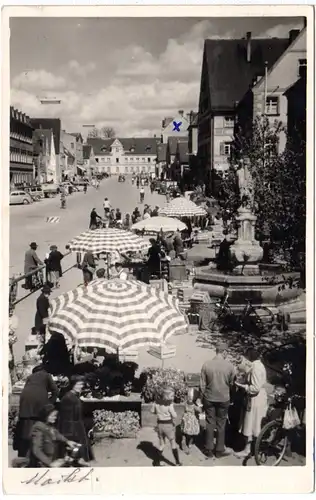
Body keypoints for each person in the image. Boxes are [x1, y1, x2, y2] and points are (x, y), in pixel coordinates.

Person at [200, 342, 236, 459]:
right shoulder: (230, 366)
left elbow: (202, 385)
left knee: (210, 423)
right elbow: (232, 384)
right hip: (224, 398)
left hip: (209, 397)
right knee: (221, 423)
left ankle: (209, 449)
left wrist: (203, 397)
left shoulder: (206, 365)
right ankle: (220, 450)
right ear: (224, 352)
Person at [14, 366, 58, 457]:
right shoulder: (47, 375)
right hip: (39, 398)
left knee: (26, 422)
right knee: (40, 420)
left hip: (25, 397)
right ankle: (39, 449)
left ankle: (23, 452)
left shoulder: (30, 377)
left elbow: (26, 389)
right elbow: (55, 390)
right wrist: (50, 403)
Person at [234, 348, 268, 458]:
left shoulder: (256, 367)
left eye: (247, 356)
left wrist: (241, 386)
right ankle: (253, 448)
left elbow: (255, 387)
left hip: (255, 399)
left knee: (251, 422)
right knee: (254, 423)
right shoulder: (257, 365)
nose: (246, 359)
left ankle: (248, 450)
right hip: (257, 398)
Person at [58, 376, 94, 462]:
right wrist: (71, 434)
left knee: (78, 456)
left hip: (78, 428)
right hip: (72, 430)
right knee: (73, 455)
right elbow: (66, 419)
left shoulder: (74, 396)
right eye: (78, 384)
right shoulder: (68, 398)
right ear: (72, 385)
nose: (81, 386)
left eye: (81, 384)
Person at [151, 387, 182, 466]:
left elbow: (152, 411)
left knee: (162, 444)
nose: (173, 397)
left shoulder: (156, 403)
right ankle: (177, 462)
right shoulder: (169, 405)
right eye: (172, 396)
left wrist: (159, 413)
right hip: (168, 425)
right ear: (166, 396)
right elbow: (174, 416)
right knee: (173, 443)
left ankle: (156, 462)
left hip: (159, 426)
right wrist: (174, 413)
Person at [180, 388, 202, 454]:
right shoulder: (194, 405)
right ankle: (189, 443)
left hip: (185, 418)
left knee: (184, 430)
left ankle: (183, 440)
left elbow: (182, 405)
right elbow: (200, 410)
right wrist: (199, 406)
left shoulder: (185, 402)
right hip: (192, 419)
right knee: (192, 432)